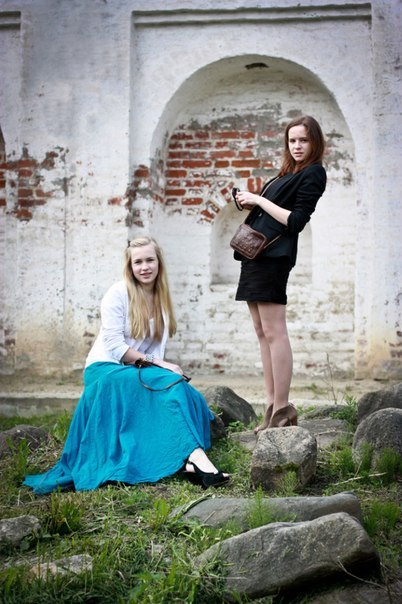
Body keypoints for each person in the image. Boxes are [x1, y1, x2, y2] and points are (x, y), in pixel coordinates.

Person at [24, 236, 229, 493]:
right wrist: (161, 364)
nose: (145, 267)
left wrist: (161, 368)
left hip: (133, 370)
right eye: (138, 262)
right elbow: (116, 347)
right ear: (130, 266)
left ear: (159, 262)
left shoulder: (162, 302)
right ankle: (199, 460)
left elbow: (154, 351)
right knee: (168, 381)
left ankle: (190, 460)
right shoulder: (118, 293)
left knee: (178, 387)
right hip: (105, 370)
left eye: (150, 260)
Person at [233, 115, 327, 430]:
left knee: (275, 332)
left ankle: (283, 407)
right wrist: (252, 204)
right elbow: (274, 212)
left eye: (304, 140)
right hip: (255, 254)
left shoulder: (314, 173)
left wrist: (259, 199)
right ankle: (272, 404)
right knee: (262, 331)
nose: (297, 146)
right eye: (292, 140)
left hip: (274, 257)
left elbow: (296, 221)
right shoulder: (288, 172)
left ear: (315, 142)